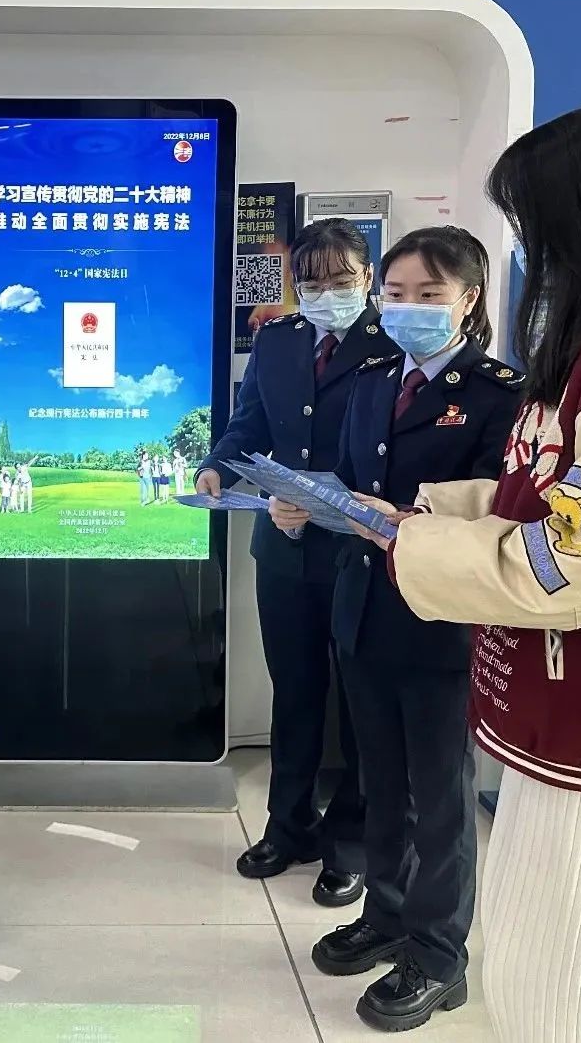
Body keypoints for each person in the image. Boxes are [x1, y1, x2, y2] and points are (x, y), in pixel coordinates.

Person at [356, 109, 581, 1043]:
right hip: (553, 700)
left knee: (554, 970)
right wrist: (424, 517)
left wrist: (418, 549)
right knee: (530, 946)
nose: (523, 252)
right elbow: (544, 494)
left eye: (525, 225)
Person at [289, 226, 523, 1033]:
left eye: (429, 294)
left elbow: (500, 511)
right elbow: (352, 484)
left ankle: (439, 953)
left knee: (440, 800)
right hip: (364, 610)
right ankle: (386, 916)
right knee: (381, 783)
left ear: (468, 299)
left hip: (441, 622)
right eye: (395, 294)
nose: (407, 308)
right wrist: (305, 503)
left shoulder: (499, 392)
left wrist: (399, 518)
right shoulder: (374, 379)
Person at [196, 219, 398, 907]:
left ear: (367, 278)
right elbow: (249, 422)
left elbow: (394, 450)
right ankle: (289, 828)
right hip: (282, 549)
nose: (324, 294)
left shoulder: (391, 343)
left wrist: (328, 502)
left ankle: (351, 846)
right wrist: (218, 466)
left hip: (359, 550)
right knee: (296, 691)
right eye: (310, 282)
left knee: (359, 701)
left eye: (340, 280)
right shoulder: (278, 339)